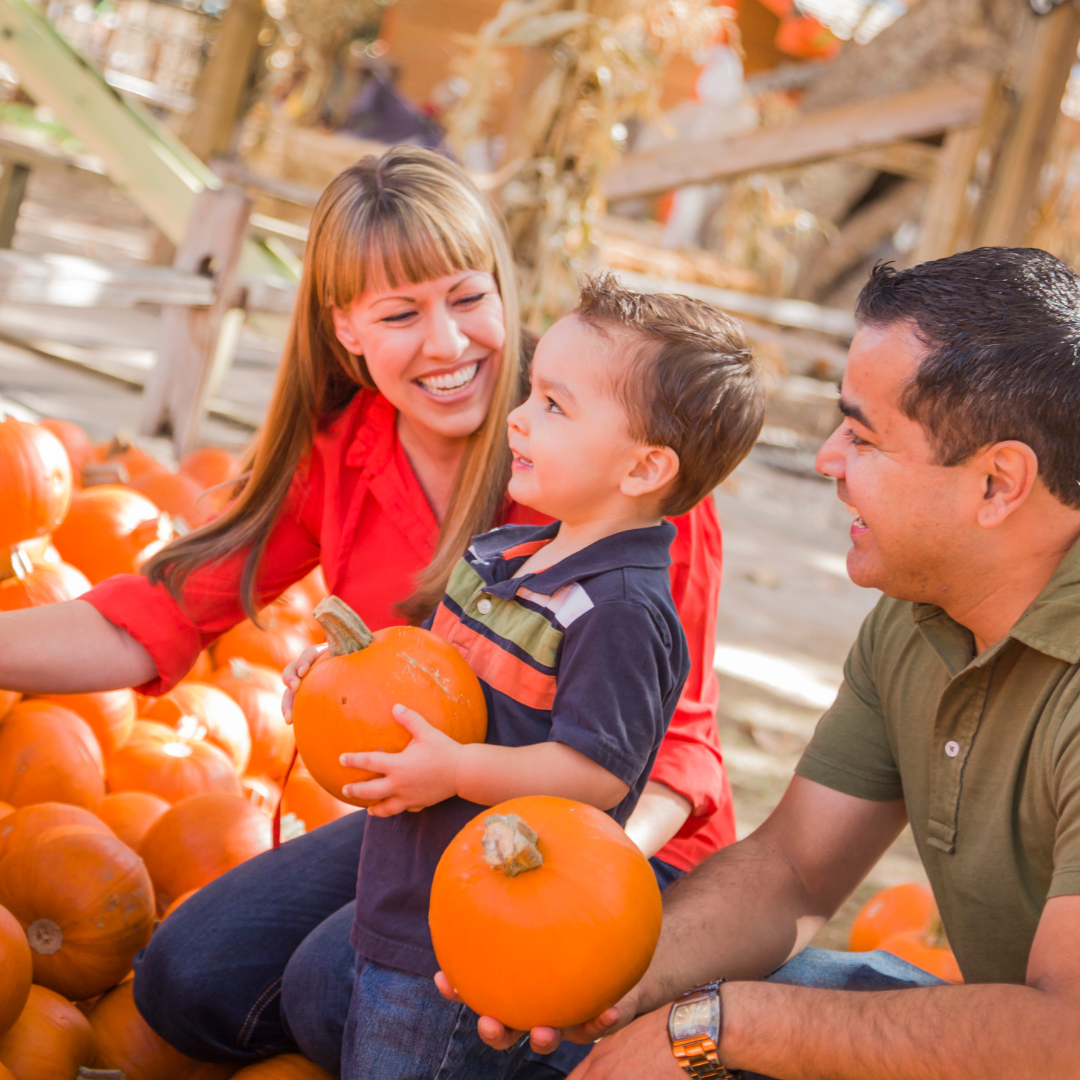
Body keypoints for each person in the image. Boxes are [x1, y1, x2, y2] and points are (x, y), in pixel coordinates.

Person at [0, 148, 736, 1072]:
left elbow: (676, 751)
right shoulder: (341, 458)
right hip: (431, 811)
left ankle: (603, 1044)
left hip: (608, 839)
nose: (449, 343)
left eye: (468, 299)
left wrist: (575, 915)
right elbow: (146, 617)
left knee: (332, 985)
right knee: (189, 977)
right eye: (400, 314)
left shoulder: (619, 477)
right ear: (346, 327)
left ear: (504, 292)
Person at [467, 247, 1080, 1080]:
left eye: (863, 436)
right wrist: (610, 979)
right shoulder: (917, 612)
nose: (827, 458)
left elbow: (1064, 1037)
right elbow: (793, 866)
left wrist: (725, 1025)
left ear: (999, 483)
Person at [276, 274, 761, 1080]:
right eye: (531, 394)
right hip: (411, 882)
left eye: (553, 407)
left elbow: (595, 776)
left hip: (482, 926)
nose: (516, 418)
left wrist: (458, 769)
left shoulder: (618, 613)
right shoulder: (505, 554)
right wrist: (342, 675)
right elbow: (436, 679)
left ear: (644, 469)